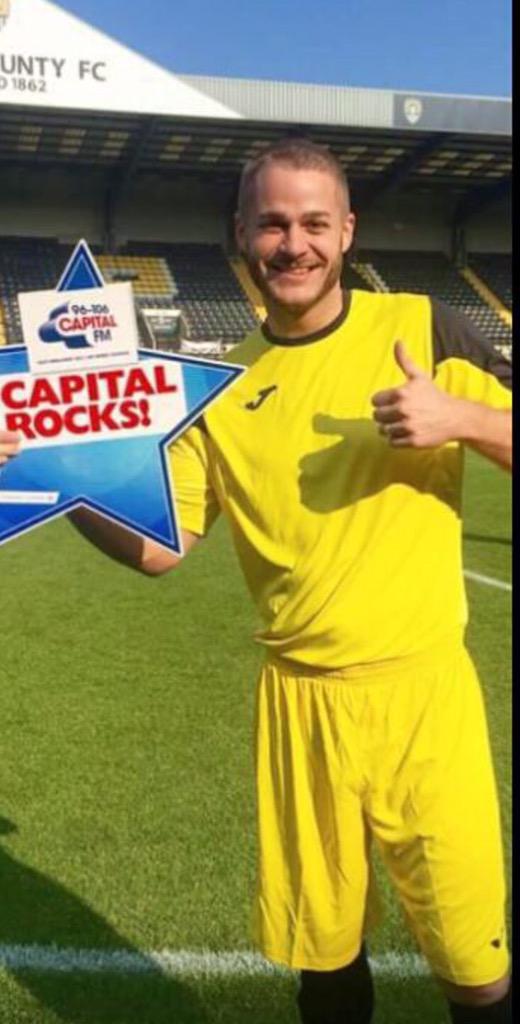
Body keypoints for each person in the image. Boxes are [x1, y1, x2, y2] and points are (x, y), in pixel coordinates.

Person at [0, 139, 512, 1024]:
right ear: (240, 233)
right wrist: (52, 479)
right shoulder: (219, 389)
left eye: (315, 222)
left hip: (425, 699)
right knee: (325, 963)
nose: (294, 244)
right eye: (273, 224)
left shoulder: (424, 327)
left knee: (476, 969)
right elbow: (160, 550)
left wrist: (461, 417)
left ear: (347, 230)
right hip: (298, 709)